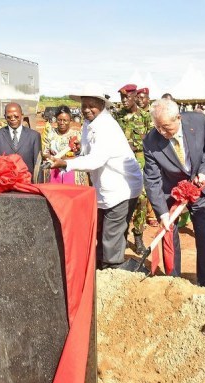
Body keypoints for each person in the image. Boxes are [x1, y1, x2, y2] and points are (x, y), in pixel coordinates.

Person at [46, 83, 143, 269]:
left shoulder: (106, 126)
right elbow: (86, 153)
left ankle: (113, 272)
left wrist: (66, 163)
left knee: (111, 234)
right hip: (104, 187)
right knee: (102, 232)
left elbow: (96, 160)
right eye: (84, 106)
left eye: (92, 105)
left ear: (102, 104)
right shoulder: (88, 124)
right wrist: (74, 153)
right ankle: (102, 267)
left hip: (121, 187)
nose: (87, 110)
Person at [143, 98, 205, 288]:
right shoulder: (151, 140)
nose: (161, 132)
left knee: (204, 237)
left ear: (178, 118)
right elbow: (152, 179)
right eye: (158, 126)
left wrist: (204, 171)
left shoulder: (198, 122)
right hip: (171, 194)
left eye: (166, 127)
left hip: (199, 188)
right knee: (169, 235)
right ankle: (173, 282)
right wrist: (162, 213)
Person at [114, 84, 153, 254]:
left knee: (142, 200)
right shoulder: (117, 117)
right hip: (120, 164)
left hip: (140, 162)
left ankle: (138, 236)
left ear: (135, 97)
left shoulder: (145, 117)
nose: (123, 101)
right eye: (121, 98)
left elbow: (151, 141)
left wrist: (134, 144)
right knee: (121, 200)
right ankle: (121, 236)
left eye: (126, 97)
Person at [0, 103, 42, 181]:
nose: (13, 119)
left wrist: (38, 187)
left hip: (27, 186)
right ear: (5, 117)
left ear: (22, 115)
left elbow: (38, 166)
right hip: (3, 186)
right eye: (9, 117)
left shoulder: (34, 136)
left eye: (16, 116)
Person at [42, 105, 88, 185]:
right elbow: (44, 152)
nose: (62, 123)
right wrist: (50, 157)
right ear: (56, 120)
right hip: (53, 170)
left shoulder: (77, 135)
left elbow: (82, 154)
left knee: (72, 195)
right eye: (59, 120)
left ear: (70, 120)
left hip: (73, 171)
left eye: (65, 120)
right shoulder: (50, 133)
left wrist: (65, 159)